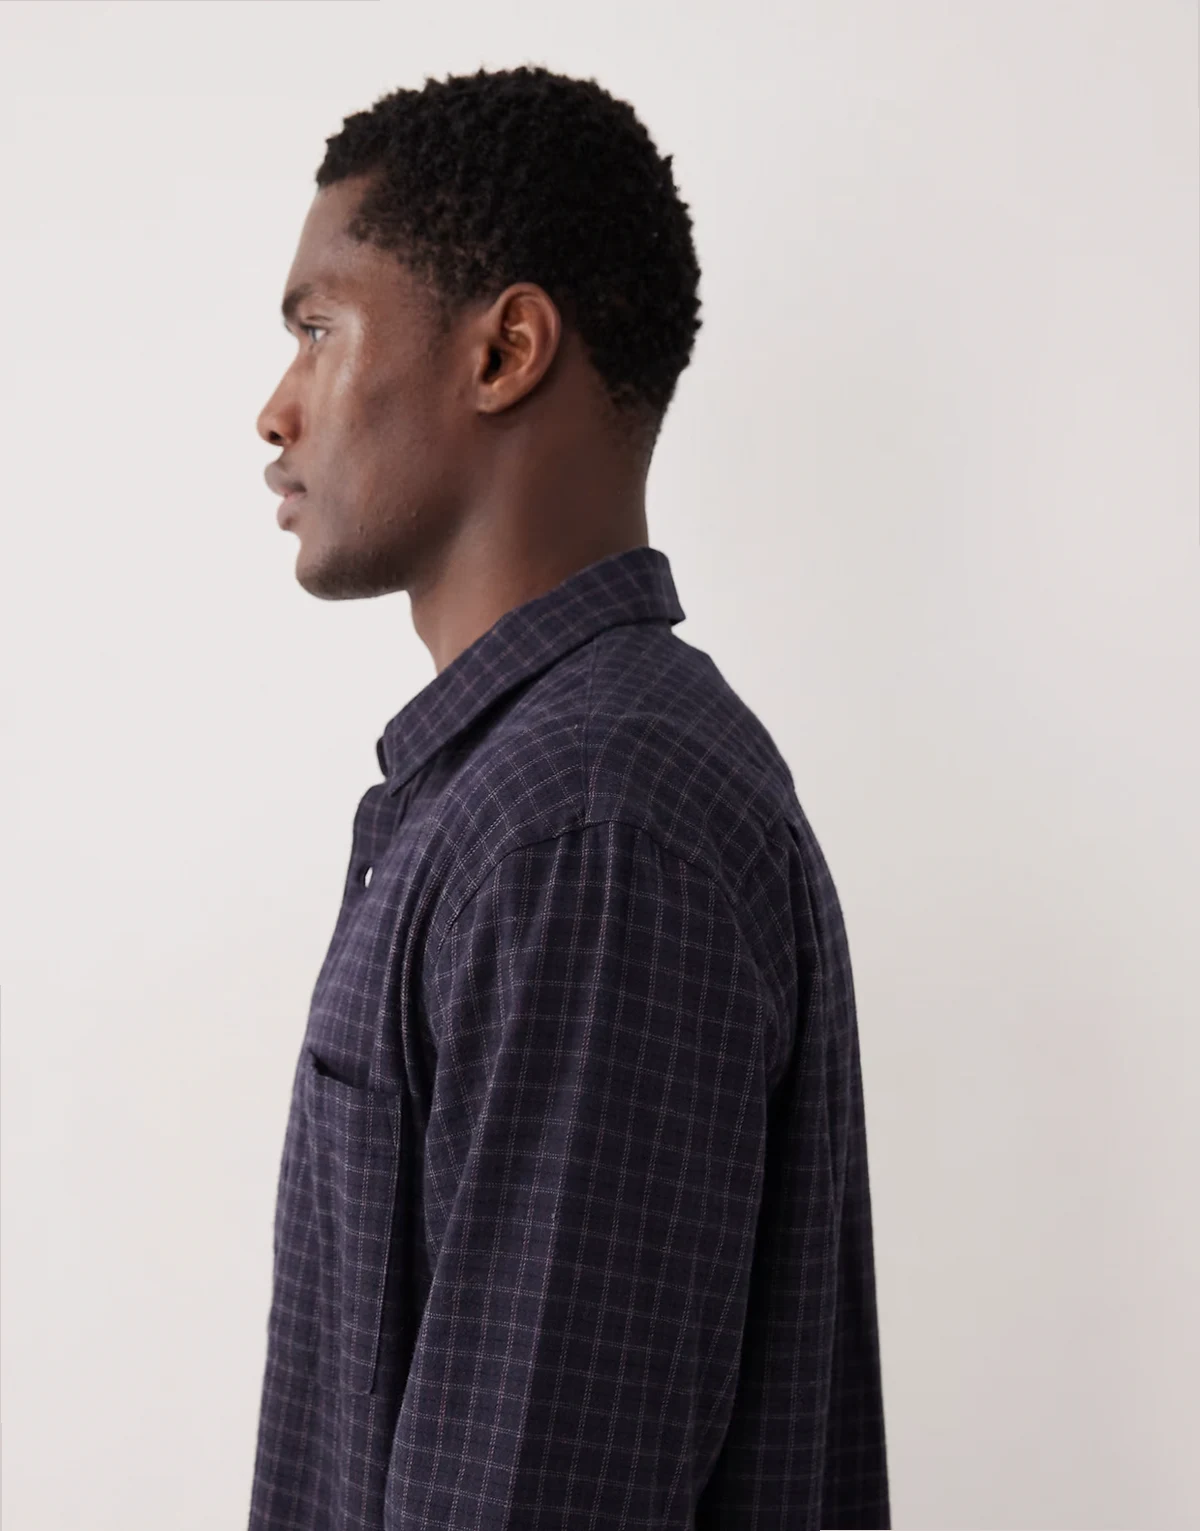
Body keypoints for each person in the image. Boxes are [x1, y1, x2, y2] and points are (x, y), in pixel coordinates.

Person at [249, 64, 889, 1531]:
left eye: (317, 328)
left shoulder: (588, 826)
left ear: (505, 350)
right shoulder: (530, 796)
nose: (274, 410)